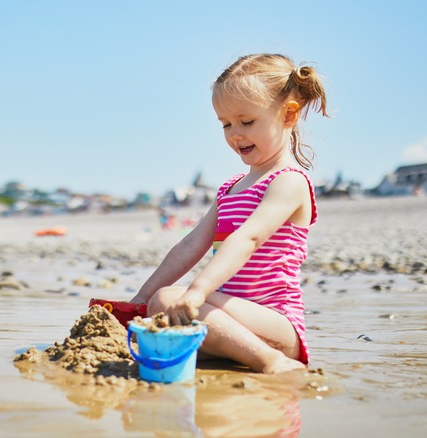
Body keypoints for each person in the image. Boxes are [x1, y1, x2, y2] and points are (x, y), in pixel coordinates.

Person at [129, 53, 329, 374]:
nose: (235, 134)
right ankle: (229, 355)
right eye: (226, 124)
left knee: (167, 301)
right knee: (155, 320)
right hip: (227, 320)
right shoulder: (230, 188)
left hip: (275, 323)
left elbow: (247, 238)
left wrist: (197, 291)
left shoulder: (289, 181)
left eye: (247, 121)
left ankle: (272, 361)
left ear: (289, 115)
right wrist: (140, 297)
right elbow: (190, 245)